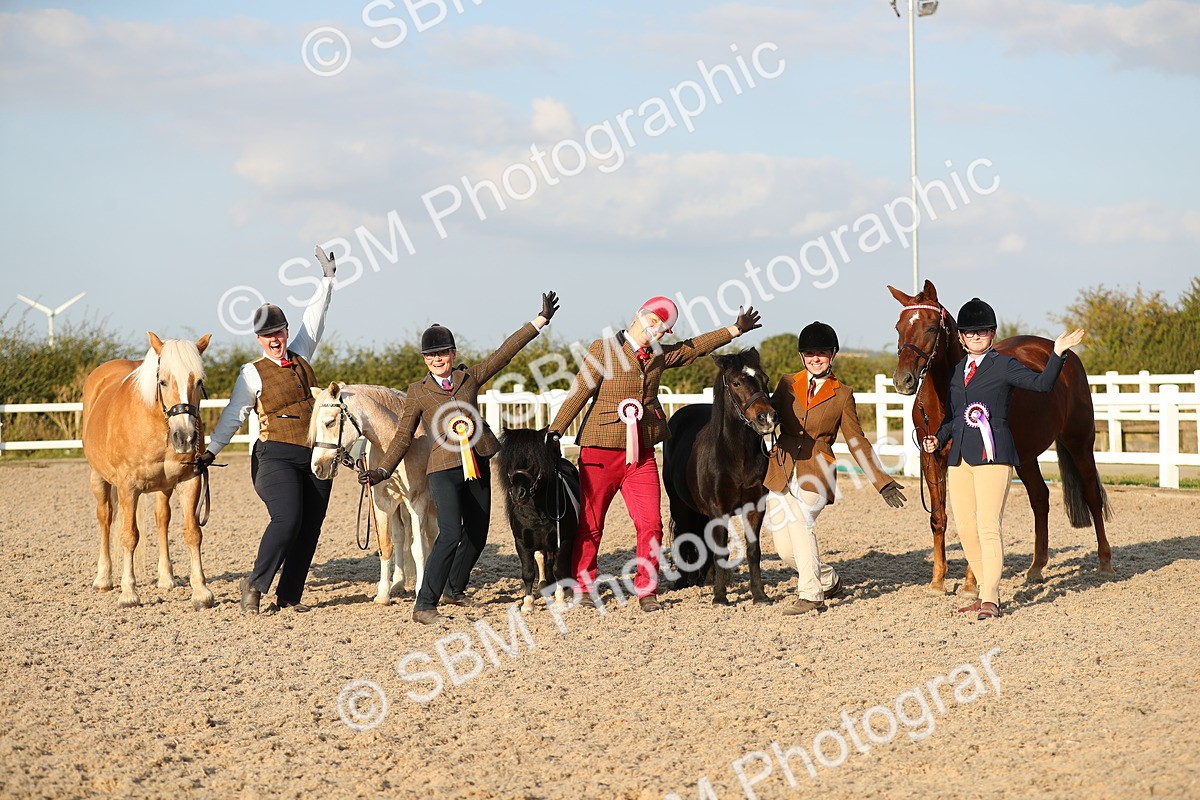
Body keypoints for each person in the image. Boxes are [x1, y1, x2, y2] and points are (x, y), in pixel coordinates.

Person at [547, 297, 762, 612]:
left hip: (642, 454)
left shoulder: (659, 355)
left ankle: (646, 590)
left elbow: (692, 347)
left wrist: (734, 330)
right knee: (591, 525)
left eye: (663, 331)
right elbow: (579, 392)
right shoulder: (602, 349)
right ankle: (583, 585)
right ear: (638, 317)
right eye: (652, 325)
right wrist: (555, 431)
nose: (656, 333)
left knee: (652, 523)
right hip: (600, 451)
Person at [360, 292, 559, 625]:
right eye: (432, 355)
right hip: (443, 469)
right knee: (451, 532)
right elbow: (404, 436)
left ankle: (454, 587)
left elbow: (504, 354)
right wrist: (382, 470)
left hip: (478, 462)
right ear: (426, 359)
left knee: (478, 534)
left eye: (443, 353)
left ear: (453, 353)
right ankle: (424, 604)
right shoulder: (418, 391)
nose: (438, 359)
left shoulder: (470, 378)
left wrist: (539, 322)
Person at [922, 298, 1086, 620]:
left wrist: (1056, 353)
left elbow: (1041, 384)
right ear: (961, 337)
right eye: (970, 333)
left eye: (982, 332)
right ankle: (984, 589)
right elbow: (954, 417)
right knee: (966, 528)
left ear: (993, 334)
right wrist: (937, 439)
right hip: (960, 460)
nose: (976, 337)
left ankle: (991, 598)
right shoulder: (957, 373)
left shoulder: (1004, 365)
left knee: (987, 525)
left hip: (993, 455)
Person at [199, 246, 337, 614]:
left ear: (286, 331)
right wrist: (212, 449)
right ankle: (256, 584)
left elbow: (315, 317)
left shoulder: (302, 351)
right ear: (258, 338)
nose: (275, 338)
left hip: (315, 455)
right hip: (274, 455)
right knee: (288, 517)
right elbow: (234, 414)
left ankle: (289, 597)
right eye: (267, 334)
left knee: (311, 526)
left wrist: (327, 280)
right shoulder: (251, 372)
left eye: (279, 331)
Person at [763, 321, 907, 616]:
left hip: (817, 470)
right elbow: (768, 417)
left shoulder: (843, 394)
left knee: (801, 520)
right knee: (785, 550)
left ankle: (812, 595)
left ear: (833, 354)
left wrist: (881, 480)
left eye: (822, 353)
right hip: (782, 468)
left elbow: (856, 440)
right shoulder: (787, 383)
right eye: (810, 353)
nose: (816, 358)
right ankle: (828, 579)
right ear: (802, 356)